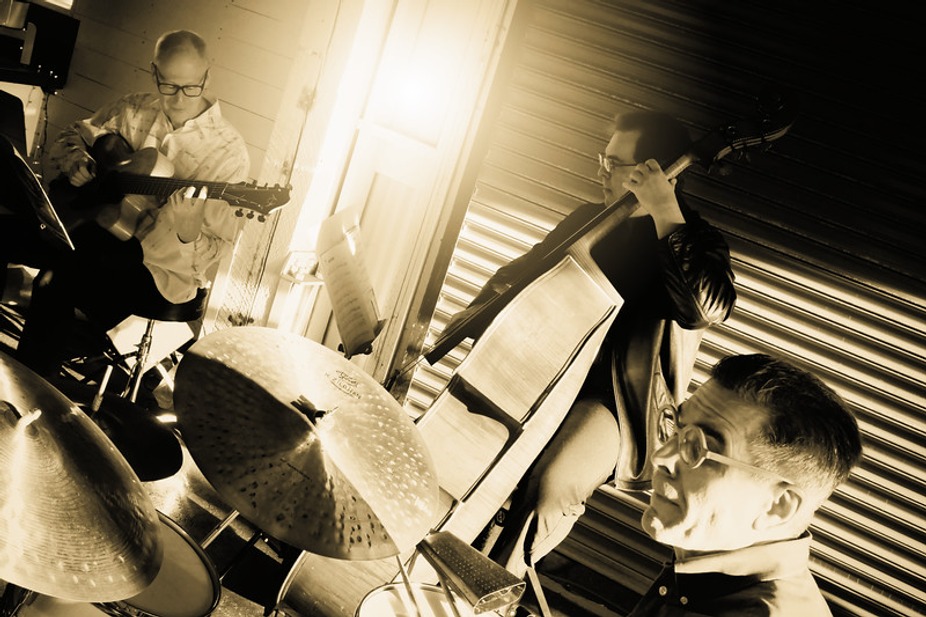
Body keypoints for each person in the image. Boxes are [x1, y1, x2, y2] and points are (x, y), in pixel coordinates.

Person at [454, 110, 738, 581]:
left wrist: (665, 211)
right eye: (602, 160)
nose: (601, 173)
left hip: (616, 402)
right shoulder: (590, 219)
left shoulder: (694, 237)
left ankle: (493, 588)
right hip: (549, 373)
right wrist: (473, 317)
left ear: (654, 172)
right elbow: (523, 273)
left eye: (614, 164)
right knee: (481, 460)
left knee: (550, 485)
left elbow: (704, 308)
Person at [14, 29, 249, 377]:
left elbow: (210, 254)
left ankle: (34, 391)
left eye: (191, 87)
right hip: (96, 231)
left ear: (207, 77)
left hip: (161, 270)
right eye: (168, 85)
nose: (179, 99)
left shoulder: (229, 154)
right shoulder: (132, 108)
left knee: (56, 283)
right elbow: (72, 134)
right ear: (154, 72)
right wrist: (77, 160)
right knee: (11, 232)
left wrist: (187, 232)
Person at [629, 353, 863, 616]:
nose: (661, 457)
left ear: (777, 507)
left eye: (699, 449)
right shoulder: (709, 561)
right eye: (677, 429)